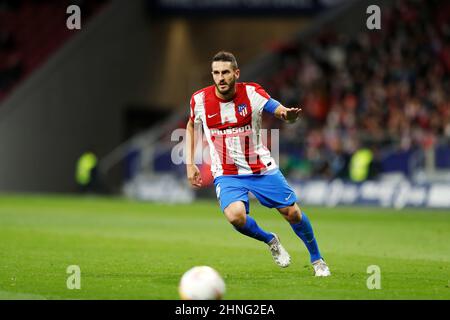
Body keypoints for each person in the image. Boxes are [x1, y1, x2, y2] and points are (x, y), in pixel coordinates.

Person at [185, 51, 330, 277]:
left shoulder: (251, 93)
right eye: (216, 73)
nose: (220, 78)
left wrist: (287, 115)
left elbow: (276, 108)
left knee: (292, 213)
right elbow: (192, 126)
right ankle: (270, 239)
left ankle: (317, 259)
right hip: (227, 173)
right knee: (235, 216)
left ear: (236, 73)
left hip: (260, 168)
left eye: (225, 72)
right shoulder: (200, 100)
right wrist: (190, 163)